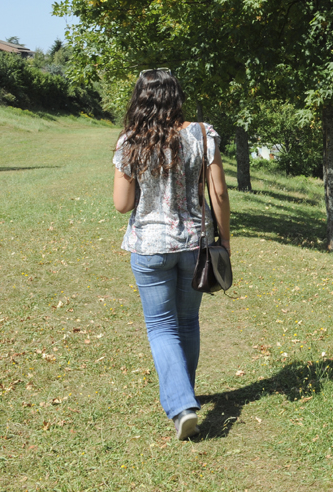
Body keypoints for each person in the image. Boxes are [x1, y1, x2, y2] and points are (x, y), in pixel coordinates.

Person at [112, 69, 230, 440]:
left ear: (140, 99)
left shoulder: (129, 141)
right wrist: (224, 239)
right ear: (176, 96)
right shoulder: (202, 134)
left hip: (149, 247)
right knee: (188, 323)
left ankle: (181, 406)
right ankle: (186, 395)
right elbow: (220, 194)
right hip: (194, 243)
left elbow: (122, 204)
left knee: (161, 326)